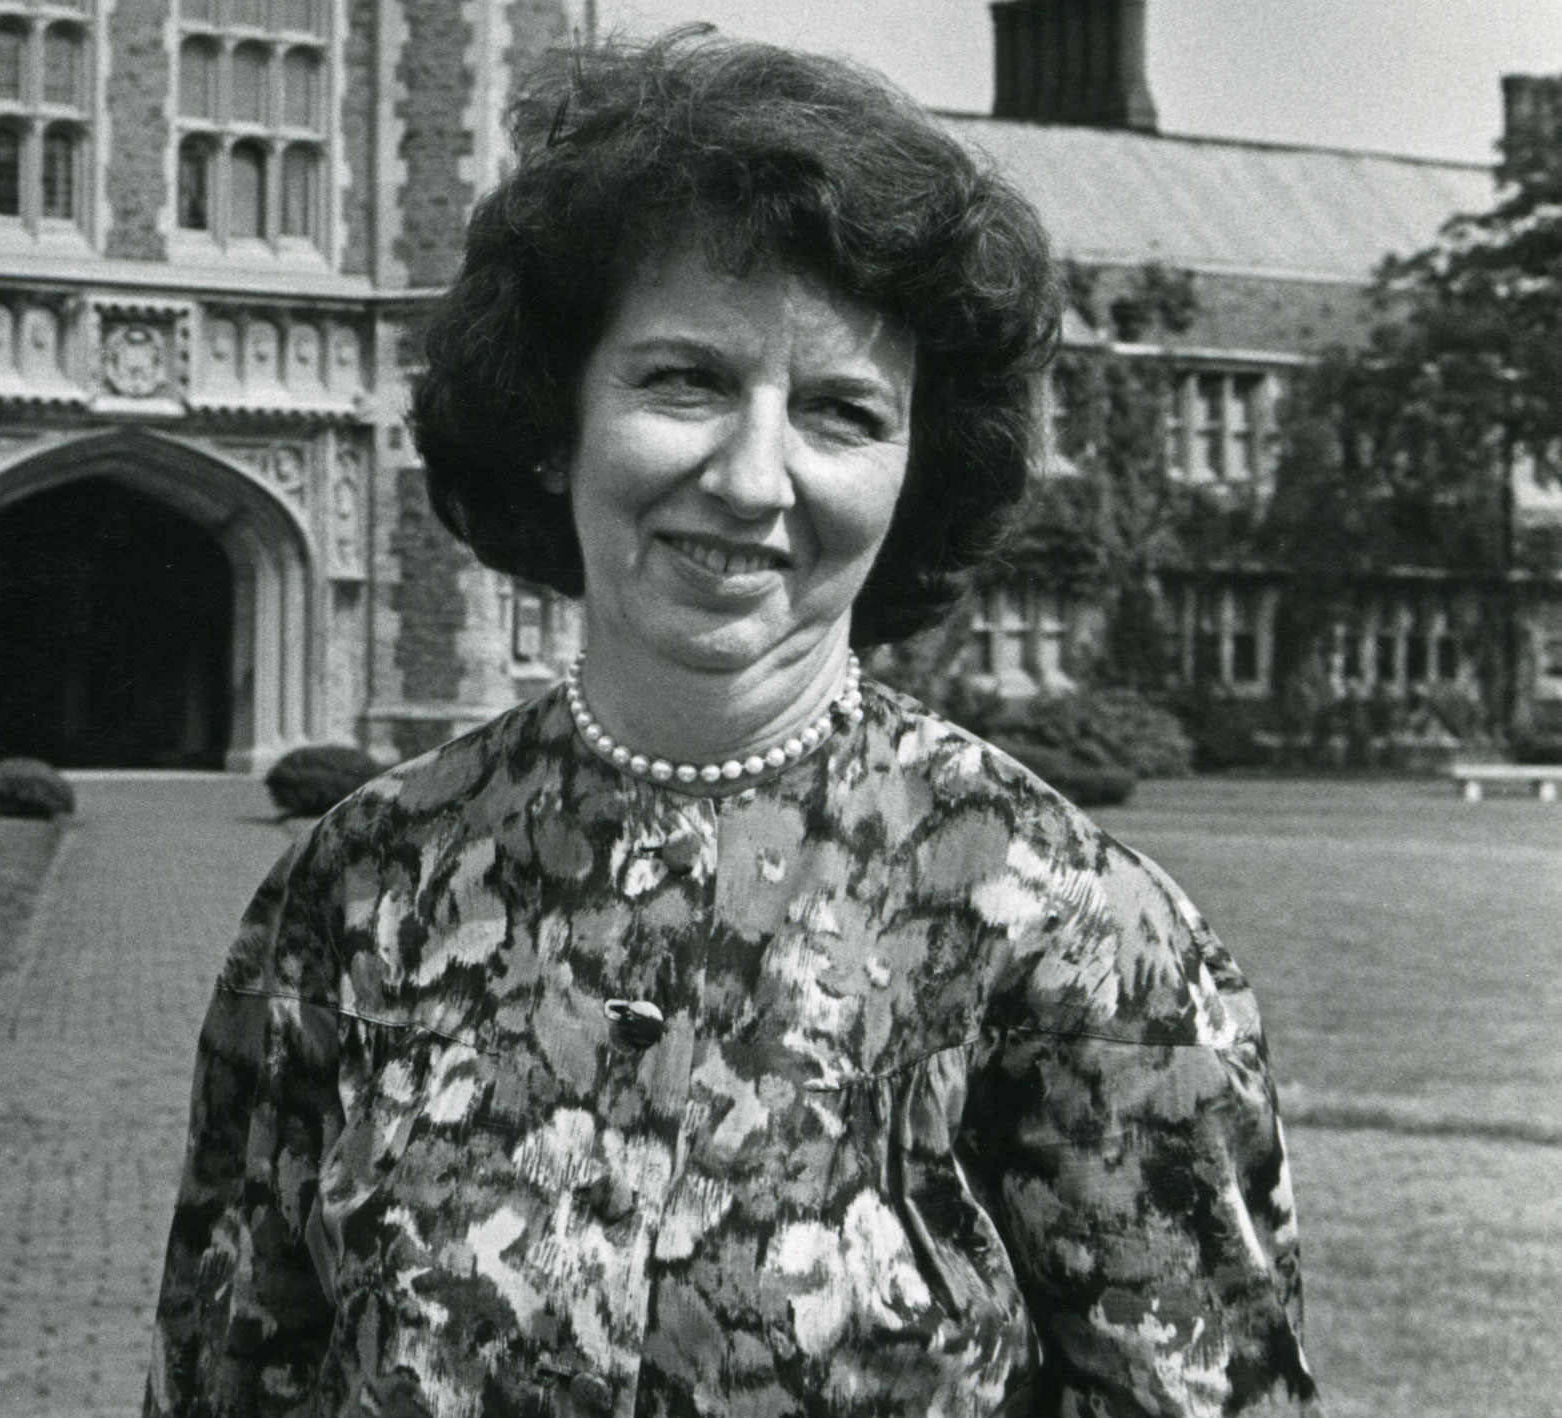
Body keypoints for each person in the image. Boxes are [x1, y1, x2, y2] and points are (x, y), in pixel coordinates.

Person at [146, 32, 1320, 1418]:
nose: (756, 477)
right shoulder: (356, 892)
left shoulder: (1068, 934)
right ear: (552, 419)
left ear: (912, 470)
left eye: (839, 410)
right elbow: (229, 1379)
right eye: (687, 380)